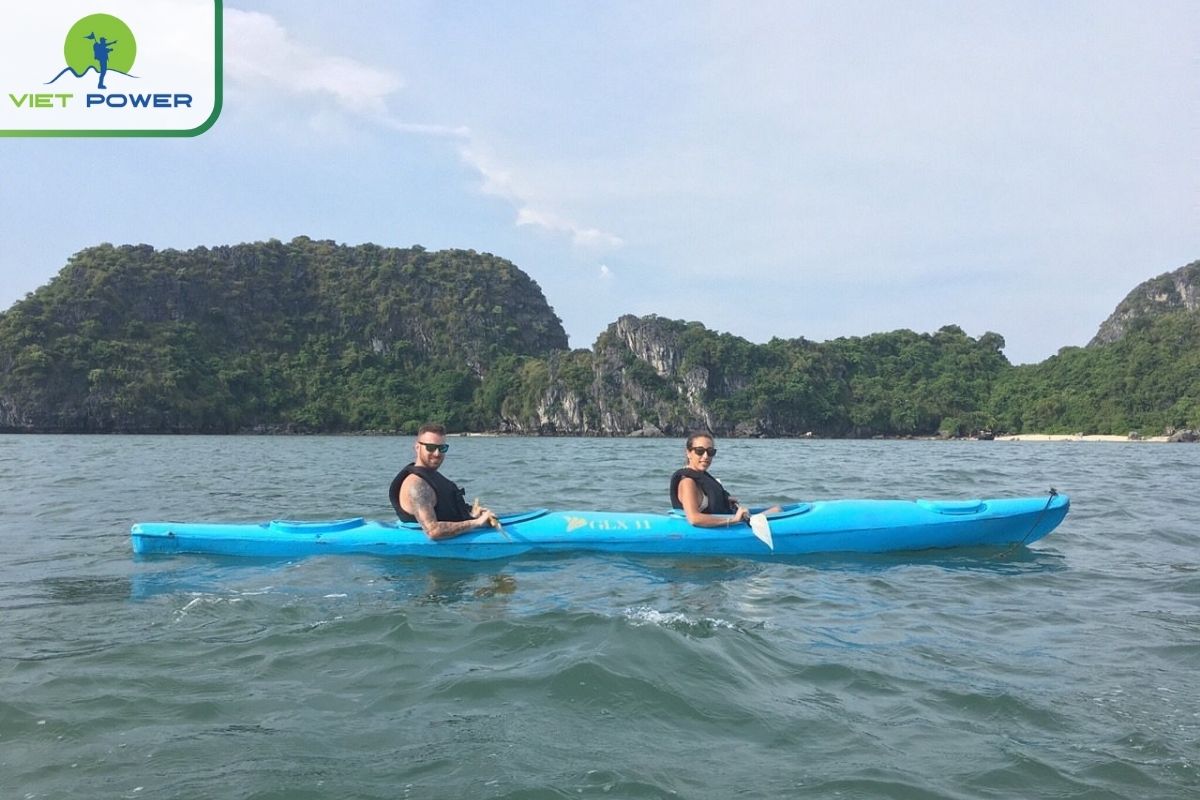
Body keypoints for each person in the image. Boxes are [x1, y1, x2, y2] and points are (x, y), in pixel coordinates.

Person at [389, 423, 496, 540]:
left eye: (442, 448)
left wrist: (472, 515)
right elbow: (433, 531)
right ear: (417, 447)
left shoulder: (430, 475)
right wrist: (477, 523)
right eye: (430, 447)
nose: (437, 453)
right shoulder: (416, 485)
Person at [669, 432, 780, 528]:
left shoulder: (700, 475)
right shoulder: (687, 482)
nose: (706, 456)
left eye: (710, 451)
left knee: (777, 510)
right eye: (699, 451)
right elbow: (694, 519)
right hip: (710, 527)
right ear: (688, 453)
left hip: (724, 520)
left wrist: (724, 500)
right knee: (777, 511)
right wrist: (733, 520)